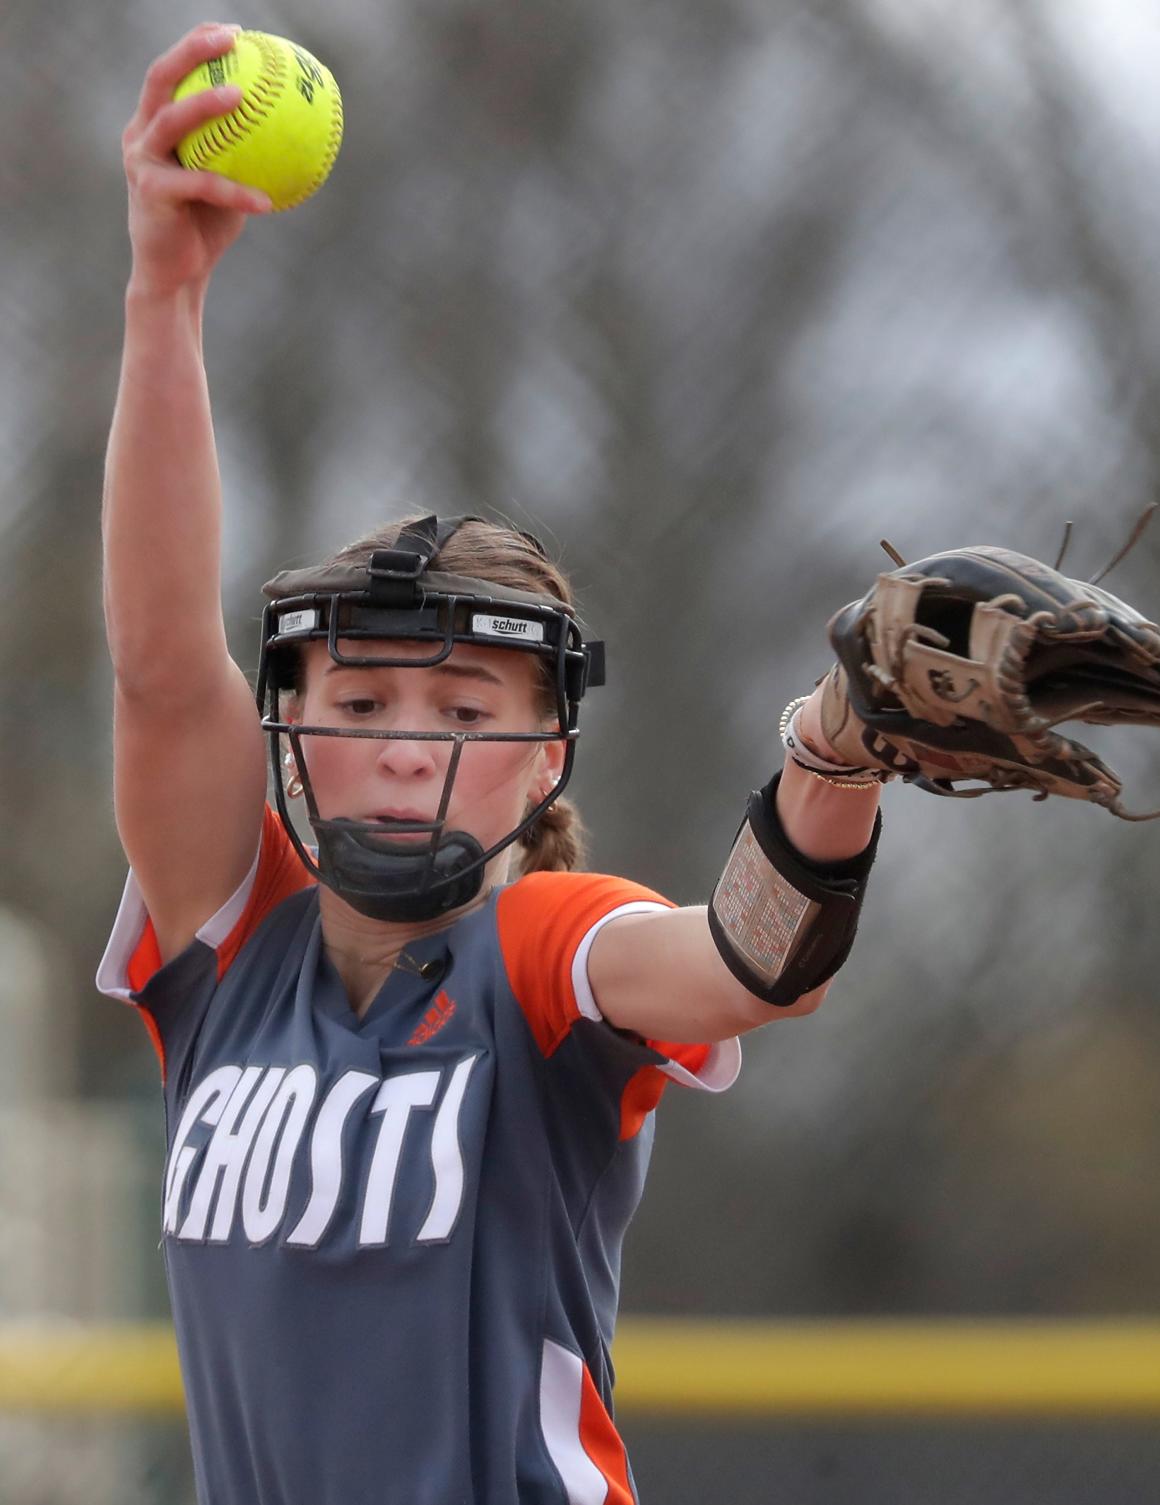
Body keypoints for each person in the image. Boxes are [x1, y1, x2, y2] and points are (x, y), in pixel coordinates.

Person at [98, 24, 884, 1505]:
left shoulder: (535, 951)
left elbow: (748, 960)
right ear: (292, 727)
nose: (404, 747)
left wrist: (834, 751)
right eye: (363, 694)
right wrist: (165, 288)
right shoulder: (230, 953)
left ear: (542, 765)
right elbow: (153, 666)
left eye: (465, 713)